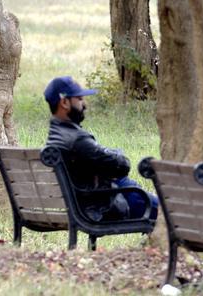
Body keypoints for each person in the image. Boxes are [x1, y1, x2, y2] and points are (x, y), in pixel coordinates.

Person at [44, 75, 158, 223]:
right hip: (104, 206)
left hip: (87, 203)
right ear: (64, 102)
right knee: (169, 213)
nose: (84, 105)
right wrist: (116, 156)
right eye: (79, 99)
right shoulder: (77, 140)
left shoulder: (55, 135)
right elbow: (122, 166)